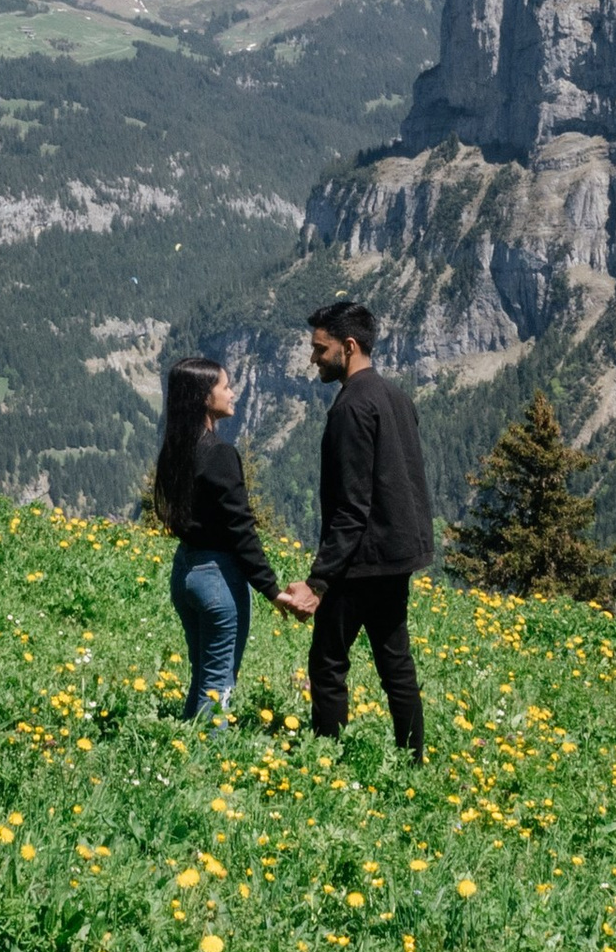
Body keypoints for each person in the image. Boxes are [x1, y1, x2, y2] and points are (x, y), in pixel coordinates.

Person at [275, 299, 432, 759]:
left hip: (360, 560)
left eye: (320, 349)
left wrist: (319, 582)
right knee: (396, 664)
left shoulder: (351, 407)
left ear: (348, 346)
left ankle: (325, 758)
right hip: (397, 556)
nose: (313, 359)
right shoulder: (396, 397)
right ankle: (413, 761)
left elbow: (351, 507)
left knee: (327, 662)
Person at [152, 354, 284, 727]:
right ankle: (210, 754)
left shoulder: (176, 449)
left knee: (202, 674)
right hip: (218, 578)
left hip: (185, 572)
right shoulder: (220, 454)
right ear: (204, 397)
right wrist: (272, 590)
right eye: (225, 386)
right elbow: (241, 529)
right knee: (219, 683)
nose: (232, 392)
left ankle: (184, 745)